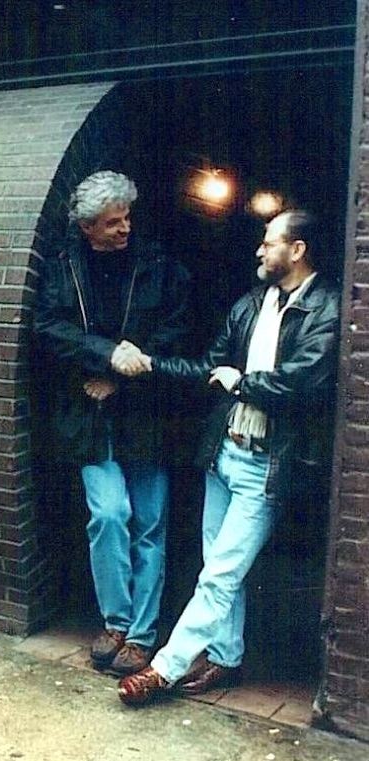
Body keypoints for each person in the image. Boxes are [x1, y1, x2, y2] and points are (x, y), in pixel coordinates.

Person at [114, 209, 340, 704]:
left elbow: (304, 382)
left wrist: (243, 383)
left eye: (269, 242)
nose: (260, 251)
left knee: (221, 573)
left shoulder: (326, 308)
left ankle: (164, 668)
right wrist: (152, 364)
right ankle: (226, 657)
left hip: (268, 465)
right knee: (216, 566)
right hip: (224, 455)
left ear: (296, 250)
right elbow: (208, 367)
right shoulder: (251, 303)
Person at [34, 170, 193, 676]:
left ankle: (141, 637)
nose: (125, 229)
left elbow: (181, 328)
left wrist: (124, 378)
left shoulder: (159, 265)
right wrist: (107, 356)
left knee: (149, 523)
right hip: (90, 416)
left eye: (127, 218)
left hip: (146, 414)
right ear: (87, 228)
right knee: (108, 514)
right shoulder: (63, 267)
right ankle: (115, 622)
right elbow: (47, 327)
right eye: (112, 222)